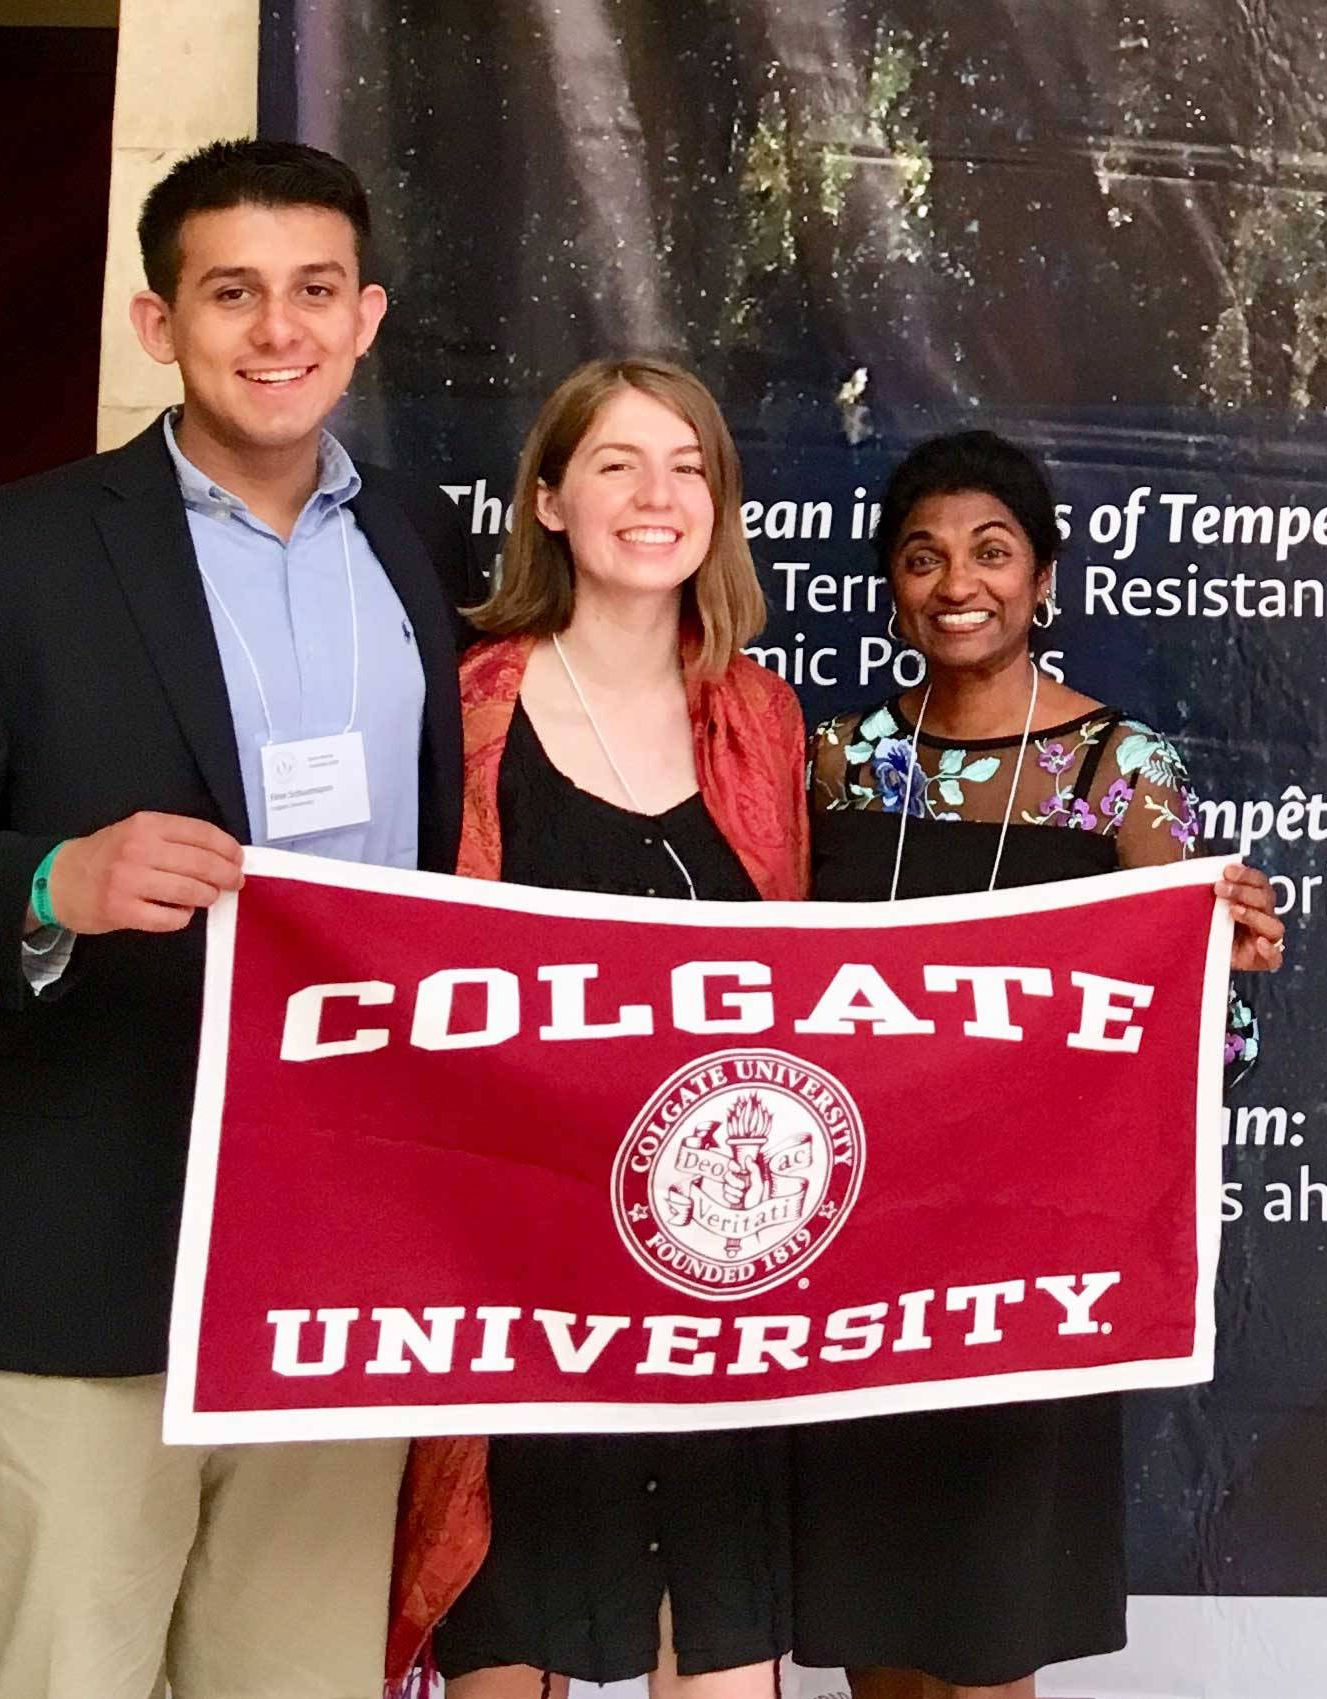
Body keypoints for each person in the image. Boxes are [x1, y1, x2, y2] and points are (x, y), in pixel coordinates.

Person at [0, 138, 467, 1699]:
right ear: (159, 321)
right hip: (94, 1234)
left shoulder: (422, 544)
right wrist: (47, 881)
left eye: (311, 292)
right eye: (232, 292)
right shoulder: (1, 550)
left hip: (343, 1255)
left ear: (366, 317)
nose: (274, 330)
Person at [798, 429, 1286, 1698]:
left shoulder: (1120, 773)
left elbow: (1202, 1039)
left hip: (1026, 1278)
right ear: (892, 589)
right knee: (876, 1633)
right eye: (922, 556)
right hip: (857, 1265)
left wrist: (1223, 962)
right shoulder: (838, 764)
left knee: (988, 1633)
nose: (957, 580)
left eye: (991, 551)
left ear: (1045, 581)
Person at [388, 357, 812, 1698]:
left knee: (730, 1660)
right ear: (551, 498)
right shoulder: (459, 710)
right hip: (514, 1297)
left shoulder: (761, 716)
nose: (656, 493)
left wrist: (1182, 912)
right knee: (510, 1645)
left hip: (711, 1291)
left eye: (688, 464)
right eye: (619, 462)